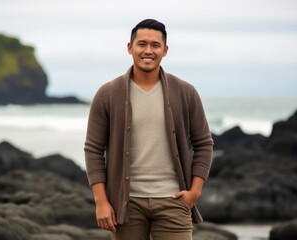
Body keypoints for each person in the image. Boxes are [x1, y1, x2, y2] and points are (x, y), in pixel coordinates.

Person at [84, 19, 213, 240]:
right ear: (129, 47)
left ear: (165, 50)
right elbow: (94, 149)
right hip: (127, 204)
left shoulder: (185, 92)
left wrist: (194, 192)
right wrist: (101, 202)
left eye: (155, 45)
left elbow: (203, 143)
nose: (148, 51)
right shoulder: (108, 94)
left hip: (174, 201)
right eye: (141, 44)